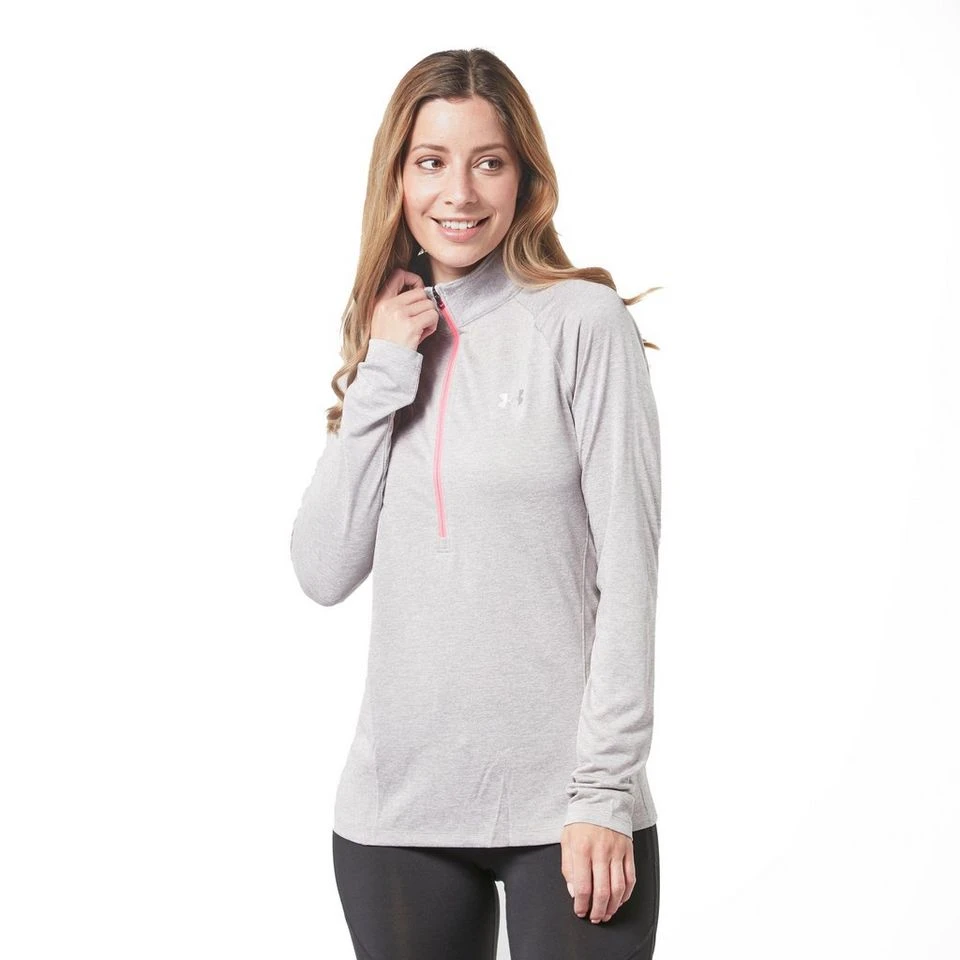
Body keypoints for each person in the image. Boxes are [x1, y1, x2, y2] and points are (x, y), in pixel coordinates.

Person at [291, 47, 663, 960]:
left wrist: (603, 793)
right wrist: (383, 367)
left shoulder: (581, 324)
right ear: (398, 176)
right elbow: (322, 568)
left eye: (488, 161)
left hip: (567, 813)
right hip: (396, 818)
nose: (458, 192)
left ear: (524, 177)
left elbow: (630, 572)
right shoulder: (390, 336)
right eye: (432, 161)